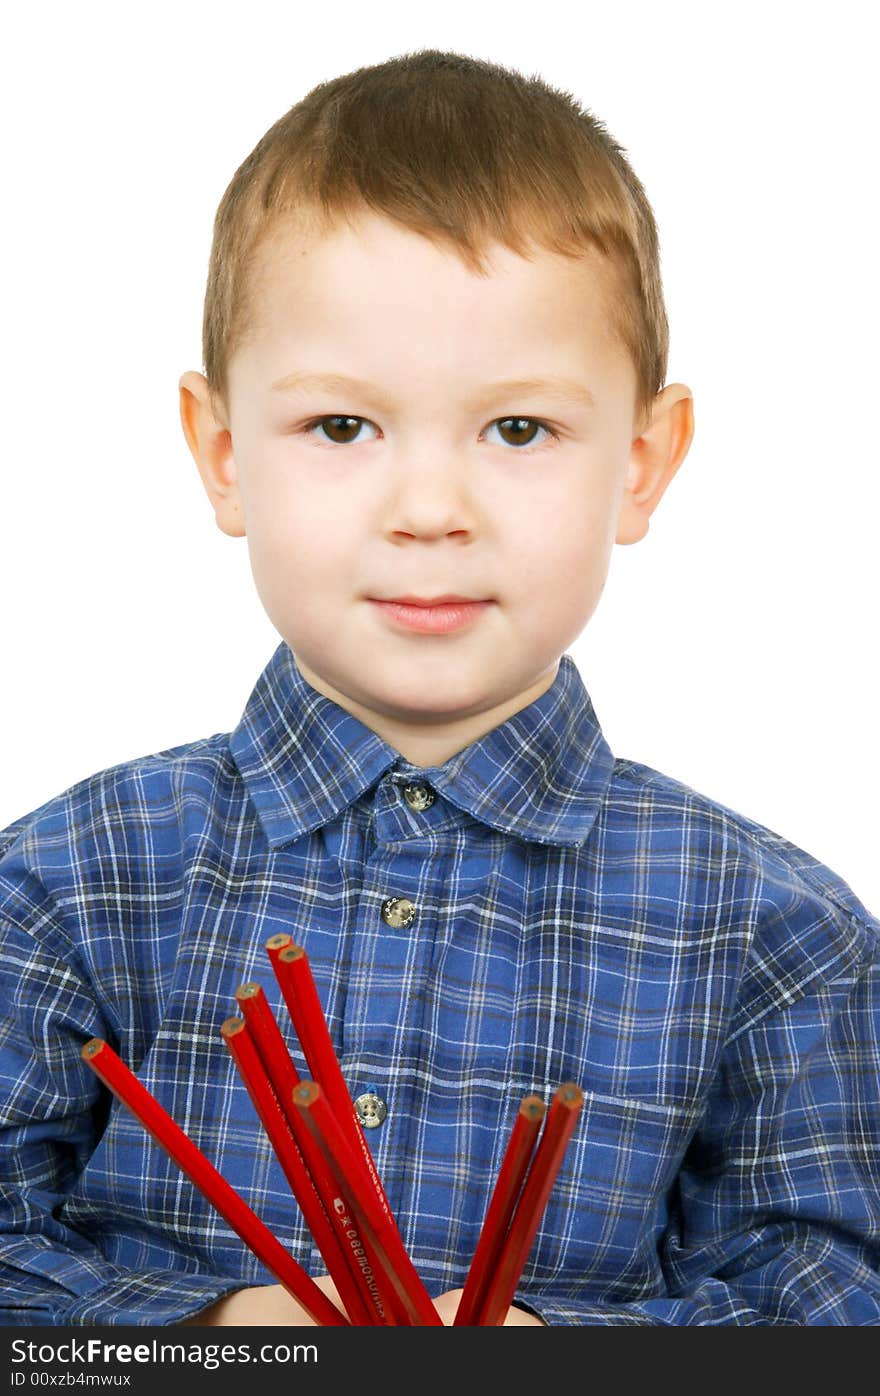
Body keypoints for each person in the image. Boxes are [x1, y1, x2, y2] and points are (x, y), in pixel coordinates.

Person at [1, 48, 878, 1329]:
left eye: (518, 430)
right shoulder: (66, 881)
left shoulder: (779, 935)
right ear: (221, 452)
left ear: (641, 461)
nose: (429, 511)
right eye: (342, 428)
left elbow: (835, 1305)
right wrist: (222, 1342)